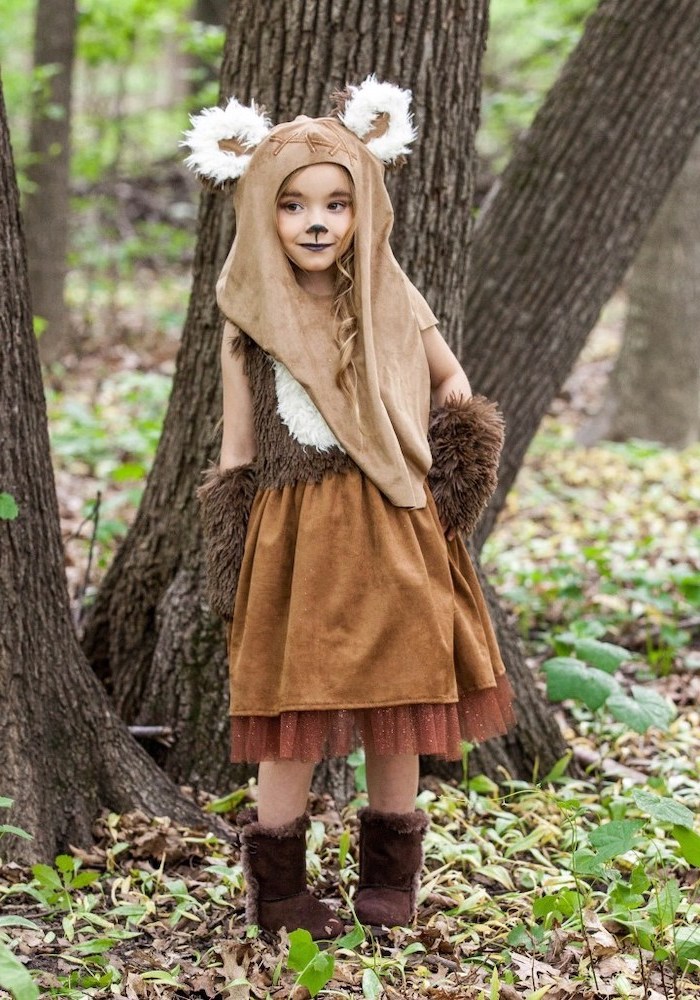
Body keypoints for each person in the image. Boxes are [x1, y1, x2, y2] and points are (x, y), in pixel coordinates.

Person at [183, 76, 516, 940]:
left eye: (337, 203)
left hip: (393, 522)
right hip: (295, 536)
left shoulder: (391, 297)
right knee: (289, 714)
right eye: (293, 206)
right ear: (265, 214)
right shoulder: (248, 319)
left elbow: (451, 381)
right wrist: (236, 551)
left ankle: (390, 877)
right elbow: (238, 448)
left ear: (365, 210)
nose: (318, 222)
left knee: (400, 695)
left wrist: (449, 479)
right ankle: (280, 885)